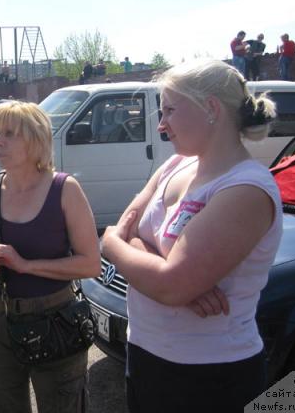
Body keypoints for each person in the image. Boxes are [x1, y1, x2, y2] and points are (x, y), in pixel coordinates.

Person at [101, 59, 282, 412]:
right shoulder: (176, 164)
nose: (162, 123)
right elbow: (133, 229)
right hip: (145, 354)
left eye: (169, 109)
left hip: (207, 375)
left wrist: (111, 244)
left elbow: (157, 271)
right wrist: (173, 281)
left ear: (211, 108)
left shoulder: (245, 188)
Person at [0, 101, 101, 413]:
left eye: (10, 134)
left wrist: (26, 265)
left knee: (64, 405)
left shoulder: (65, 189)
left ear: (36, 138)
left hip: (55, 316)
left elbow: (90, 263)